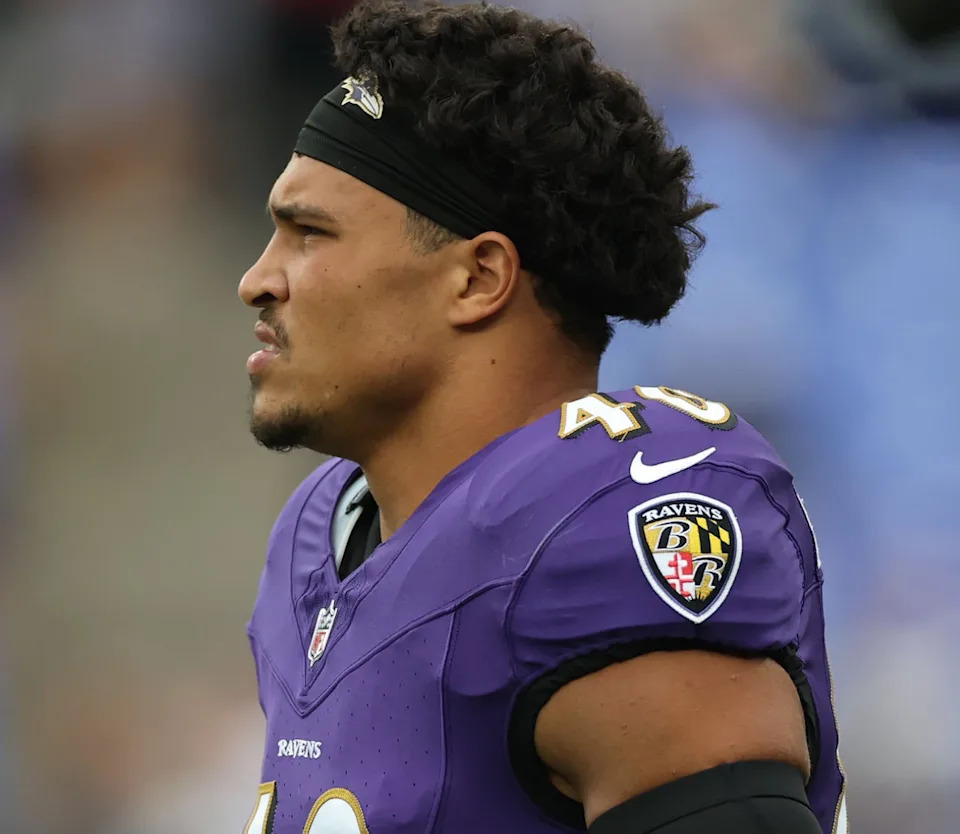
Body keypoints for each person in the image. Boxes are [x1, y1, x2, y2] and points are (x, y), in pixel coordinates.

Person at [237, 2, 846, 832]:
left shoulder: (595, 529)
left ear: (478, 278)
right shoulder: (322, 532)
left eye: (309, 233)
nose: (259, 280)